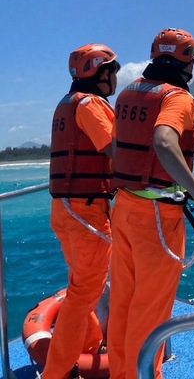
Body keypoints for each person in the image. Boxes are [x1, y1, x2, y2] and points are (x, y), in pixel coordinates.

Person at [108, 28, 194, 379]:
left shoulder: (127, 93)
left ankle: (124, 374)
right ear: (189, 59)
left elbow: (118, 145)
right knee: (150, 312)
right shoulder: (177, 99)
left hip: (124, 207)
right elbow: (164, 140)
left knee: (124, 303)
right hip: (157, 215)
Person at [45, 44, 120, 379]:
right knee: (83, 294)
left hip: (65, 210)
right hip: (86, 212)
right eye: (112, 70)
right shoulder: (91, 105)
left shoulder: (67, 103)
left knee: (83, 287)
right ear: (98, 72)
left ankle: (90, 347)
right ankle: (56, 373)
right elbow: (116, 151)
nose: (116, 76)